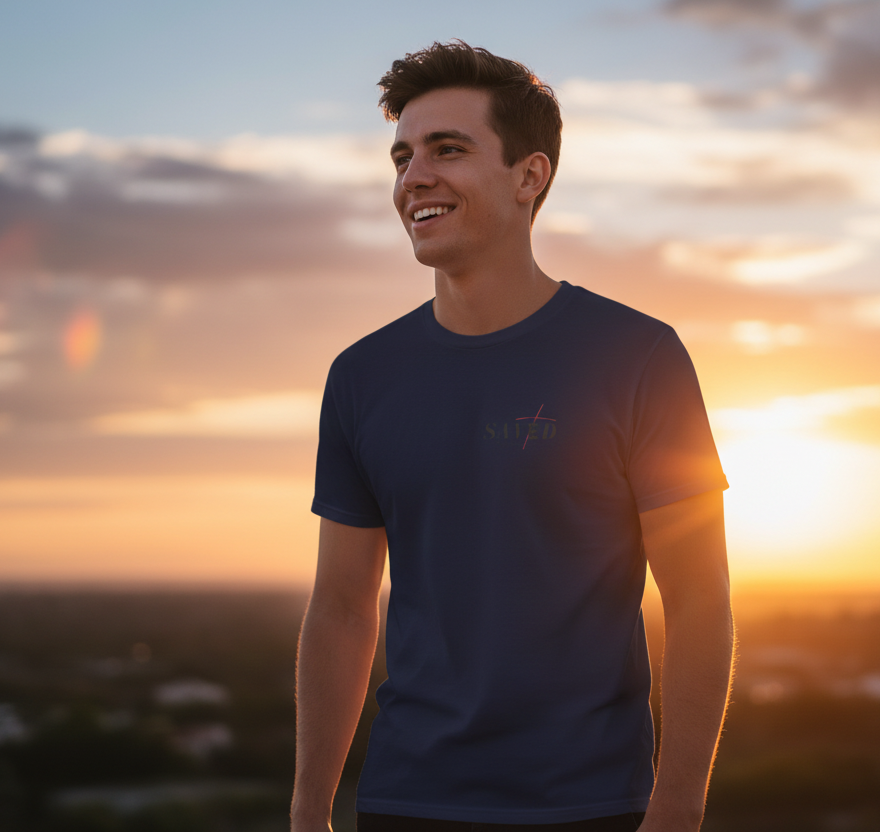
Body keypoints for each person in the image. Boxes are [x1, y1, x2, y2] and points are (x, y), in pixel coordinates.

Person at [291, 41, 734, 832]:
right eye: (402, 157)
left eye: (447, 150)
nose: (412, 177)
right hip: (406, 802)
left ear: (530, 176)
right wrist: (307, 811)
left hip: (596, 806)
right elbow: (341, 608)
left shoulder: (638, 356)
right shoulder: (361, 376)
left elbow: (699, 600)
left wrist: (677, 809)